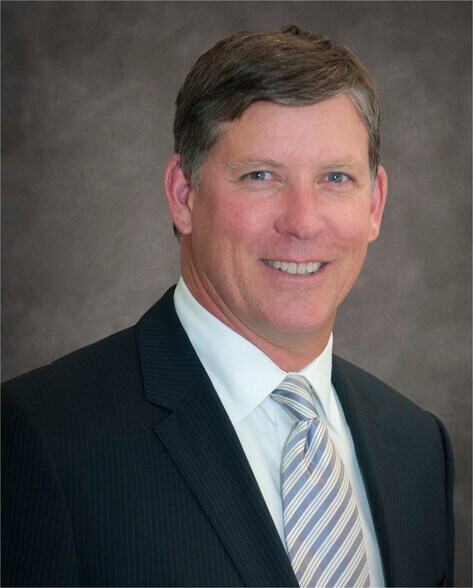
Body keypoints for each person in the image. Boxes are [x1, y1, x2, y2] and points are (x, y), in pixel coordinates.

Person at [2, 25, 454, 587]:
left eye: (336, 177)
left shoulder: (418, 447)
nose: (303, 222)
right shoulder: (40, 436)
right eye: (260, 176)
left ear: (375, 204)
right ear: (183, 194)